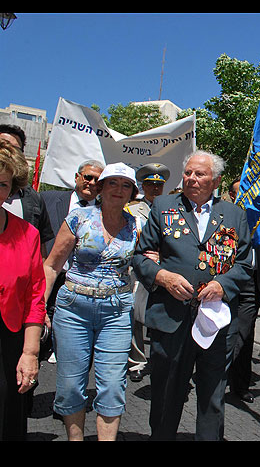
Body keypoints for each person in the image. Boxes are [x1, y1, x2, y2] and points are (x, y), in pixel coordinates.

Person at [132, 150, 252, 441]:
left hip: (216, 321)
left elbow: (245, 263)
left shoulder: (235, 214)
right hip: (171, 318)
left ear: (215, 181)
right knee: (165, 392)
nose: (192, 179)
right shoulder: (162, 206)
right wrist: (163, 276)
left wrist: (223, 285)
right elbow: (140, 257)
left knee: (212, 394)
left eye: (200, 174)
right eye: (188, 173)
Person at [43, 162, 139, 441]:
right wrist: (39, 310)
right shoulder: (78, 218)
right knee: (72, 384)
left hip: (116, 312)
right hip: (73, 309)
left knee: (111, 385)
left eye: (126, 185)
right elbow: (51, 266)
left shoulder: (135, 226)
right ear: (101, 186)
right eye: (113, 182)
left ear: (132, 192)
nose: (119, 189)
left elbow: (145, 261)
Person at [0, 141, 46, 440]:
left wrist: (30, 353)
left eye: (2, 184)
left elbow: (35, 298)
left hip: (9, 342)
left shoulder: (28, 233)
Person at [41, 159, 105, 363]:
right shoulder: (47, 200)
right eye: (88, 177)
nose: (92, 183)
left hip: (82, 287)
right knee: (37, 339)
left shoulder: (109, 213)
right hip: (49, 279)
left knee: (72, 351)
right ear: (77, 177)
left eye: (98, 180)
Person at [227, 177, 260, 403]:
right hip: (226, 283)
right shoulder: (225, 217)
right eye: (242, 193)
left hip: (250, 286)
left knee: (244, 336)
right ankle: (216, 373)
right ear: (233, 196)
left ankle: (240, 384)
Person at [124, 162, 171, 382]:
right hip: (140, 268)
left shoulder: (171, 209)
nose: (155, 189)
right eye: (151, 184)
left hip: (166, 269)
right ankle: (137, 361)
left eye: (158, 185)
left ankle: (160, 358)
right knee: (136, 315)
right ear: (143, 186)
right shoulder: (131, 209)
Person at [0, 124, 54, 253]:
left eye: (3, 185)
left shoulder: (34, 199)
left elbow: (41, 249)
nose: (7, 154)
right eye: (3, 146)